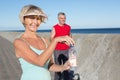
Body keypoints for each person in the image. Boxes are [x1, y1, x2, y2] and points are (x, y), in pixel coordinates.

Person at [14, 5, 74, 80]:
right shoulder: (19, 42)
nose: (35, 22)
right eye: (32, 18)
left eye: (38, 18)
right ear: (23, 19)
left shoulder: (44, 40)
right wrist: (56, 40)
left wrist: (63, 67)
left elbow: (50, 66)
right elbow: (40, 62)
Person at [50, 12, 72, 80]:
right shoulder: (54, 27)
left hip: (66, 50)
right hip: (57, 50)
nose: (63, 19)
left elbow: (70, 35)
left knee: (67, 68)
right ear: (58, 19)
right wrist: (59, 40)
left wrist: (70, 41)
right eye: (61, 18)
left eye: (64, 18)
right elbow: (51, 38)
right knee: (58, 68)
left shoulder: (68, 27)